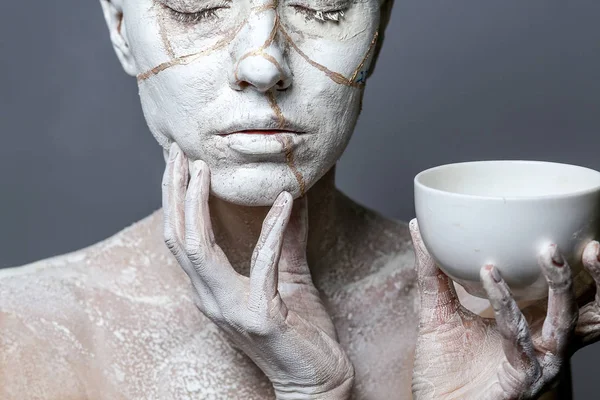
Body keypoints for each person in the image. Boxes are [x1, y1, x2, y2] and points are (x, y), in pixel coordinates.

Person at [1, 0, 599, 398]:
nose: (263, 64)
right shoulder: (20, 332)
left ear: (381, 26)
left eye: (322, 4)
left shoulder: (497, 321)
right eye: (197, 4)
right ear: (118, 27)